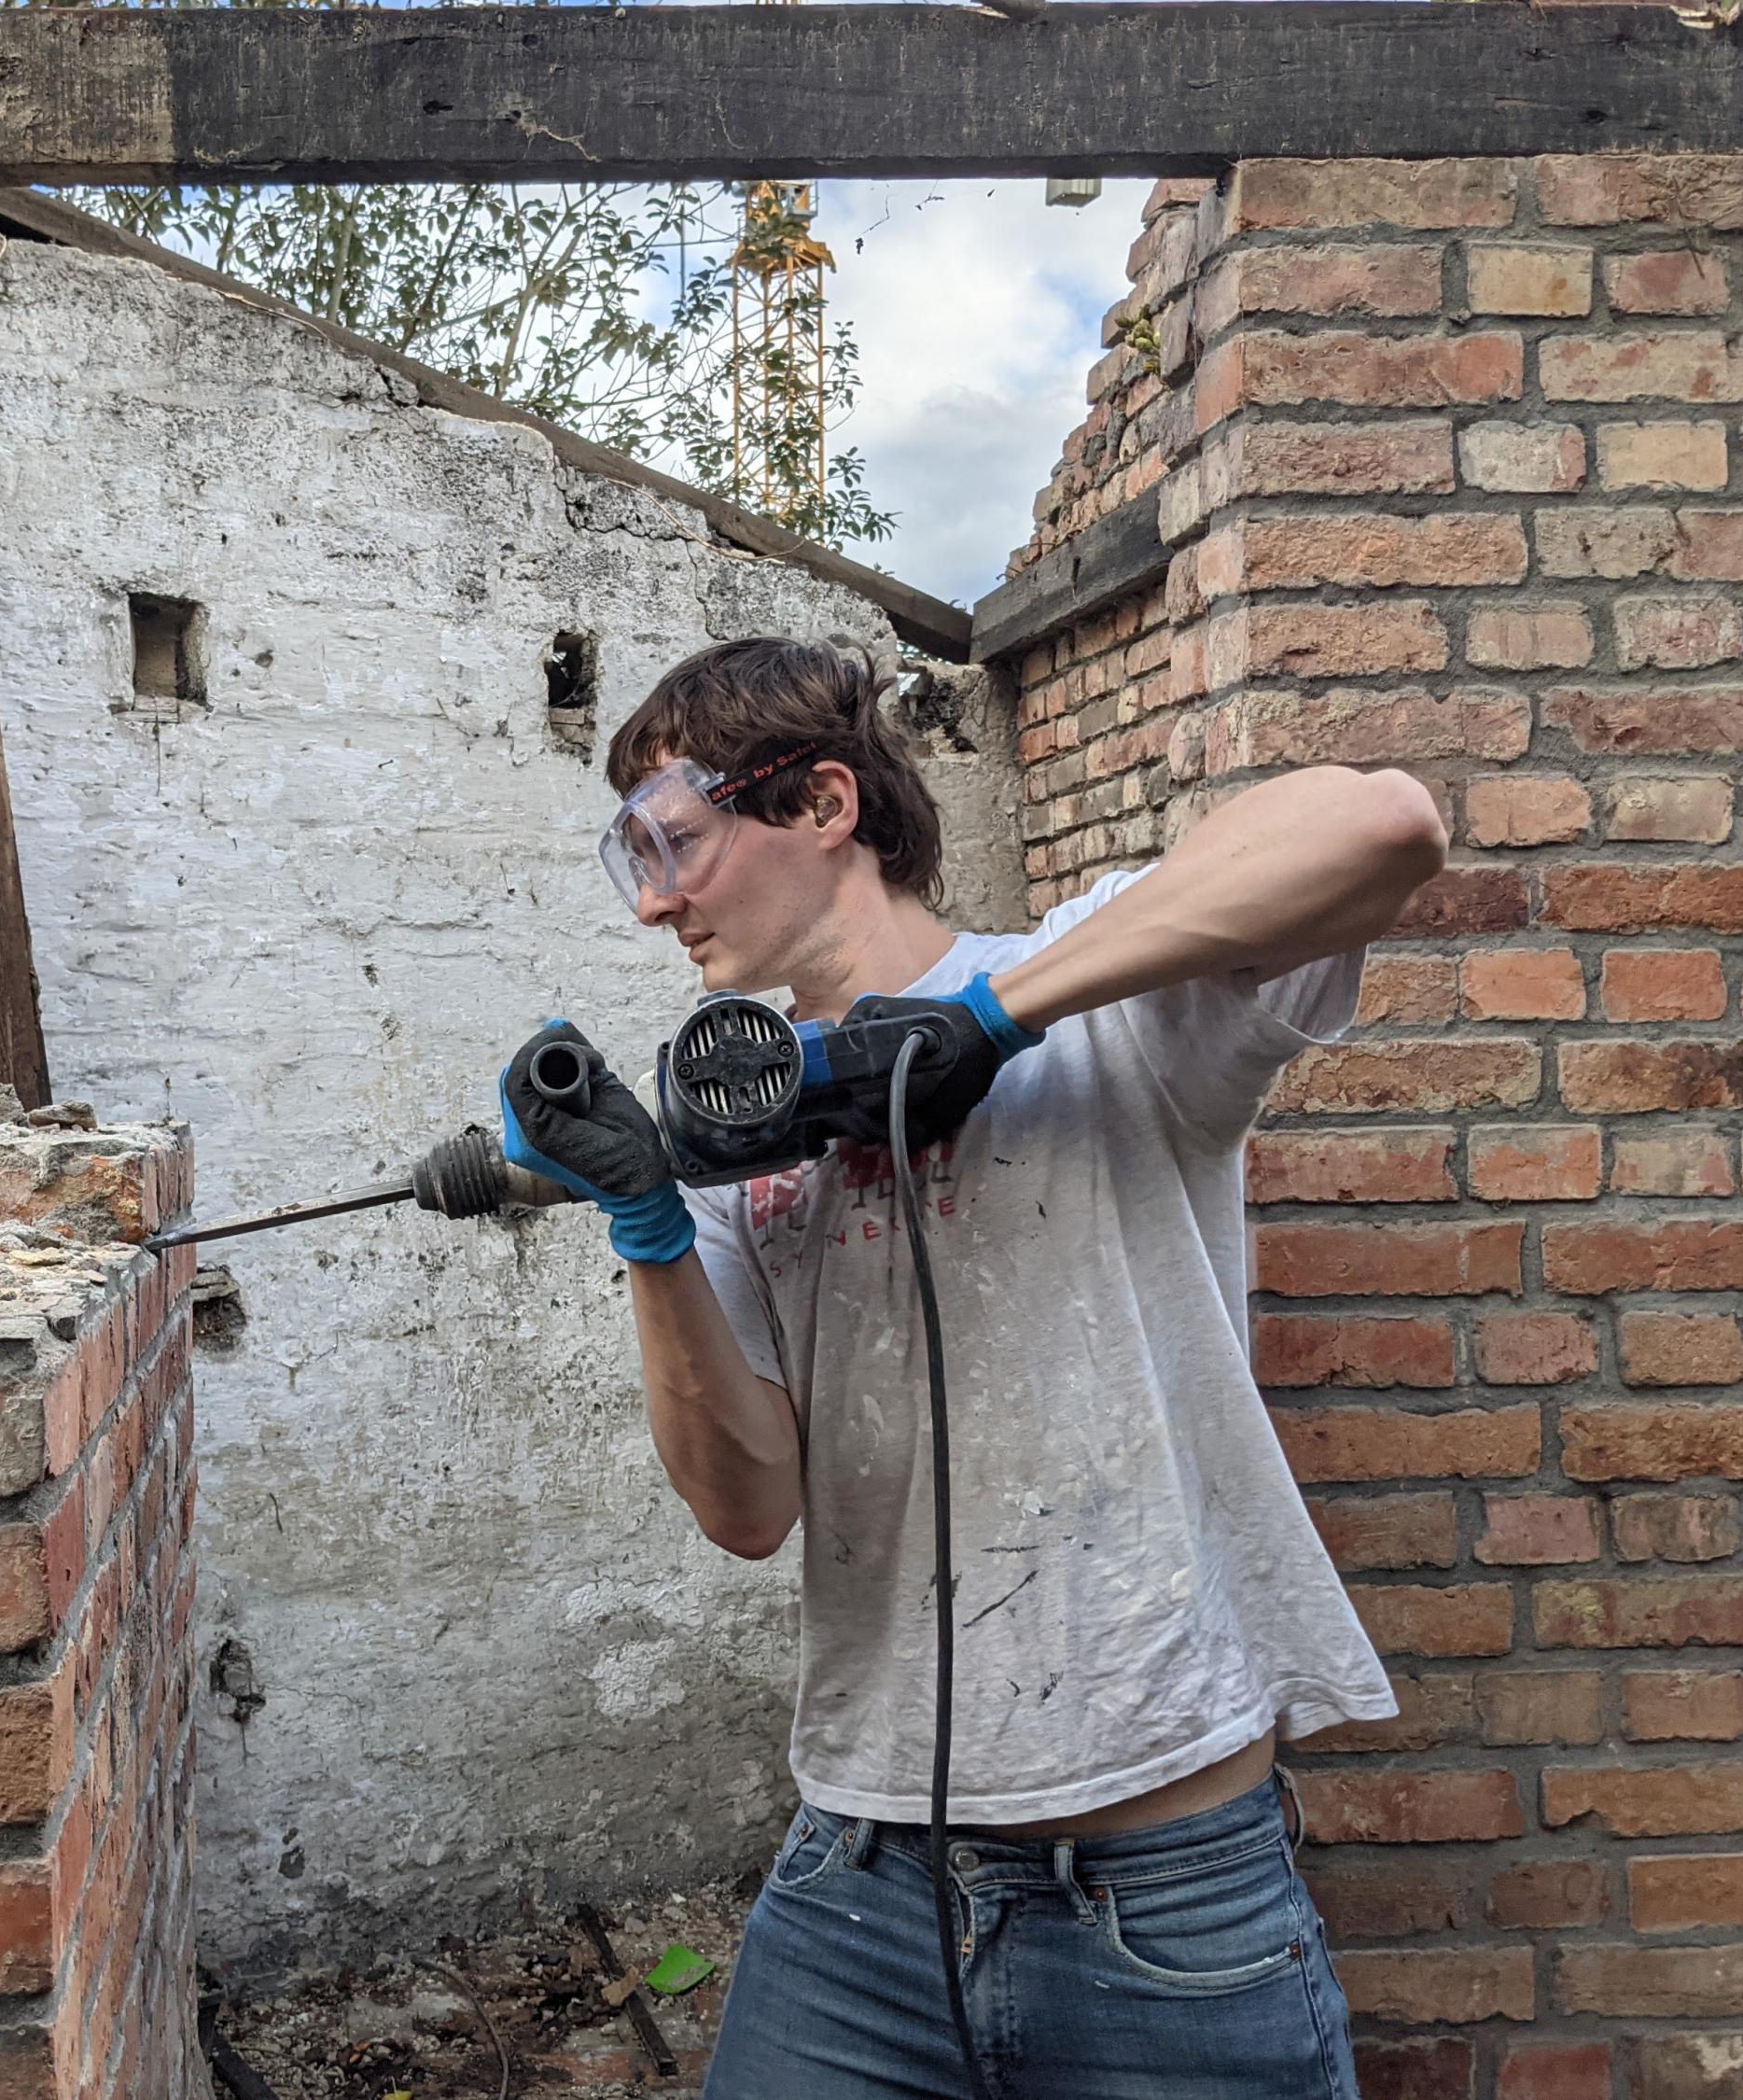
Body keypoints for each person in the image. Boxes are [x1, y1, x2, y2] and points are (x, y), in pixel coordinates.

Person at [497, 637, 1447, 2100]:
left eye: (675, 841)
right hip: (865, 1885)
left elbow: (1385, 824)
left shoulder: (1102, 1001)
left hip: (1164, 1892)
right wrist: (650, 1231)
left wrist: (996, 1018)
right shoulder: (740, 1137)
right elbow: (747, 1506)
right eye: (635, 858)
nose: (654, 899)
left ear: (825, 802)